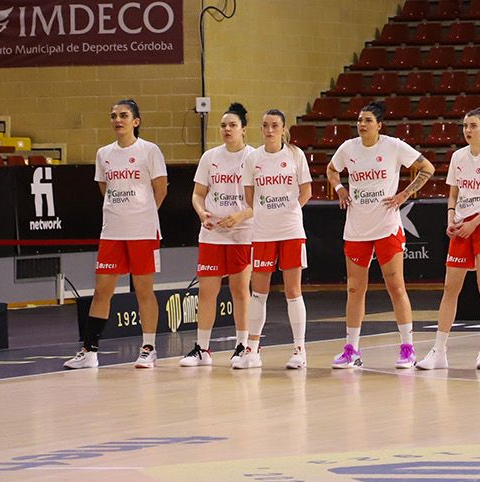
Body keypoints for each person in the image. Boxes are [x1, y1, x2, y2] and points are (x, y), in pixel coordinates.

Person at [325, 101, 434, 370]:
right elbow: (331, 169)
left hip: (387, 226)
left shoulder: (393, 146)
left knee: (396, 286)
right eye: (360, 120)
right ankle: (351, 349)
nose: (362, 124)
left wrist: (404, 194)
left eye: (368, 121)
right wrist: (339, 187)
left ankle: (407, 348)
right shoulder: (348, 148)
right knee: (354, 289)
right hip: (356, 228)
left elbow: (427, 168)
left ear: (379, 125)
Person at [64, 100, 168, 370]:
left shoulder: (150, 151)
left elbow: (161, 189)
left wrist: (142, 214)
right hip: (112, 232)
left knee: (143, 290)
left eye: (124, 115)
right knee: (102, 290)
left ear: (136, 121)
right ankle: (89, 351)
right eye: (113, 116)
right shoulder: (104, 154)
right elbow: (104, 187)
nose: (117, 120)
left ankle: (148, 348)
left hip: (143, 233)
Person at [418, 109, 480, 372]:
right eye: (464, 126)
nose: (467, 130)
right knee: (450, 288)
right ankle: (438, 351)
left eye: (472, 125)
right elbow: (453, 194)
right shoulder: (458, 156)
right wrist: (451, 217)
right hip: (461, 225)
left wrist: (474, 222)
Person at [181, 103, 254, 369]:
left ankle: (242, 345)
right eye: (223, 125)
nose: (227, 129)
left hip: (242, 233)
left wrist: (240, 216)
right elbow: (198, 194)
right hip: (212, 234)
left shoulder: (254, 157)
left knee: (239, 290)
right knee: (207, 291)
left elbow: (261, 200)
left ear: (244, 129)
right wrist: (202, 213)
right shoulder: (210, 157)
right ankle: (202, 349)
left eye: (232, 125)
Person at [241, 108, 314, 369]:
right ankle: (251, 350)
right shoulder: (252, 159)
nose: (269, 130)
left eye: (274, 125)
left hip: (291, 231)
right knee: (258, 292)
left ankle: (299, 350)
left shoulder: (295, 155)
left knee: (293, 292)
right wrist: (266, 212)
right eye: (265, 125)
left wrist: (289, 210)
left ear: (283, 129)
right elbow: (250, 196)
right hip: (262, 233)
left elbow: (306, 191)